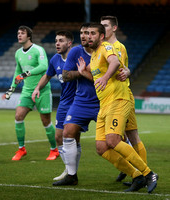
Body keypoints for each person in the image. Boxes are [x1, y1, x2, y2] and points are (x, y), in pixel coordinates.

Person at [77, 23, 157, 193]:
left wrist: (106, 77)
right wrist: (84, 72)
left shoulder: (107, 47)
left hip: (118, 100)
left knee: (114, 140)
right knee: (101, 148)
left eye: (93, 33)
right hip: (104, 105)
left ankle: (149, 173)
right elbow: (96, 77)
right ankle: (136, 176)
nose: (89, 36)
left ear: (101, 36)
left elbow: (114, 62)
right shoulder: (93, 56)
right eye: (87, 33)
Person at [100, 15, 149, 182]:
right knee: (123, 137)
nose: (102, 29)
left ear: (114, 28)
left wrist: (126, 71)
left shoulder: (117, 47)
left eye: (105, 26)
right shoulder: (104, 47)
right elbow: (125, 68)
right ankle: (133, 169)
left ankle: (142, 173)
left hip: (121, 96)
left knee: (130, 136)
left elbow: (120, 69)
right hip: (113, 96)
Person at [52, 23, 100, 186]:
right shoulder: (76, 52)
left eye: (88, 33)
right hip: (81, 101)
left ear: (97, 35)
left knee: (110, 143)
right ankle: (71, 175)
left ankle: (134, 172)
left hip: (104, 100)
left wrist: (84, 73)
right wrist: (80, 72)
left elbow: (107, 77)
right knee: (67, 133)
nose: (84, 36)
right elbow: (65, 75)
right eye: (82, 33)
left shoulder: (104, 51)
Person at [2, 25, 58, 161]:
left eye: (22, 33)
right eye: (18, 33)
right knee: (18, 116)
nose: (19, 35)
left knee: (46, 121)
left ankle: (54, 150)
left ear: (29, 36)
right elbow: (17, 73)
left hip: (42, 90)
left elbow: (44, 66)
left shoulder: (38, 50)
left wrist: (26, 73)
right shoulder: (18, 53)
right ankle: (22, 149)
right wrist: (11, 89)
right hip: (27, 91)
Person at [32, 30, 78, 180]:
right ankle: (69, 171)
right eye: (56, 40)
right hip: (64, 103)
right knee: (59, 137)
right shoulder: (55, 60)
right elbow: (47, 75)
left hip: (80, 102)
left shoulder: (78, 58)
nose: (57, 43)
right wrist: (37, 88)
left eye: (61, 41)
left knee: (76, 138)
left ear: (69, 43)